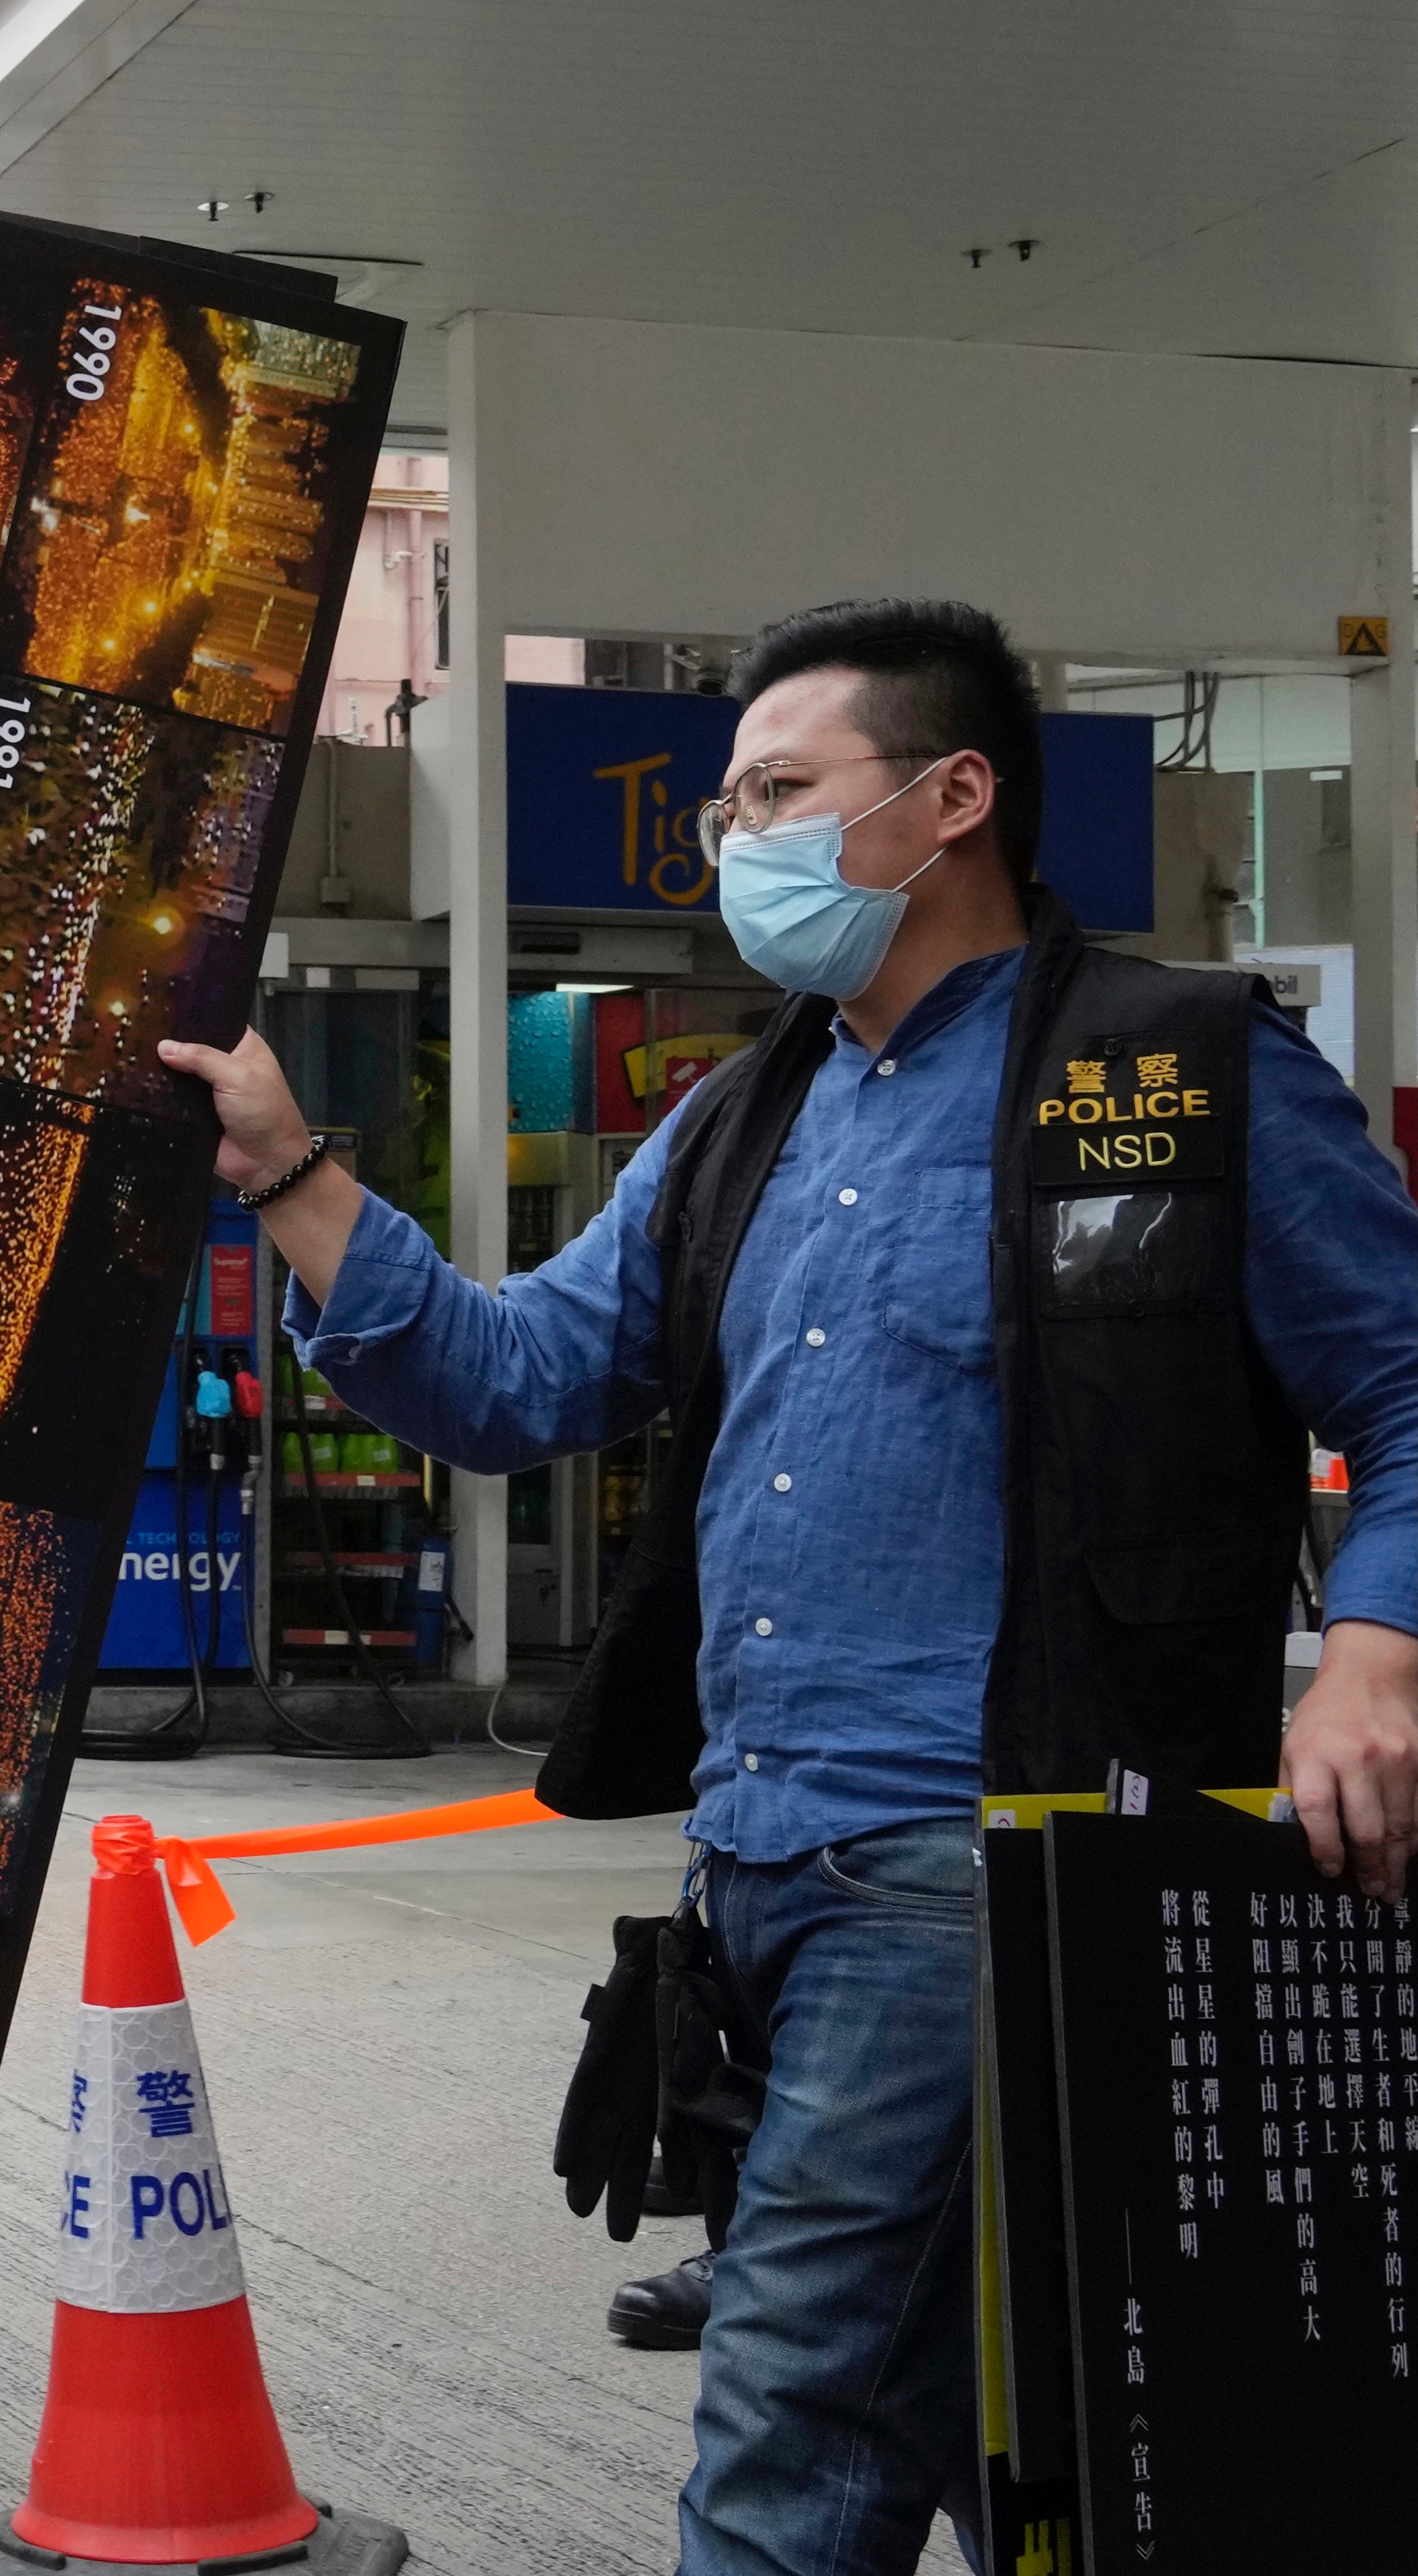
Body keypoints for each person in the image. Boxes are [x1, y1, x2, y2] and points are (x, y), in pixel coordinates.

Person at [155, 598, 1418, 2576]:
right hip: (754, 1872)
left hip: (985, 1864)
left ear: (950, 800)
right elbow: (515, 1379)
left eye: (777, 789)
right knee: (991, 2441)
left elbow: (1407, 1384)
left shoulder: (1181, 1077)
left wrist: (1372, 1663)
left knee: (791, 2430)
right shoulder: (742, 1126)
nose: (731, 833)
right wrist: (292, 1168)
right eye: (728, 792)